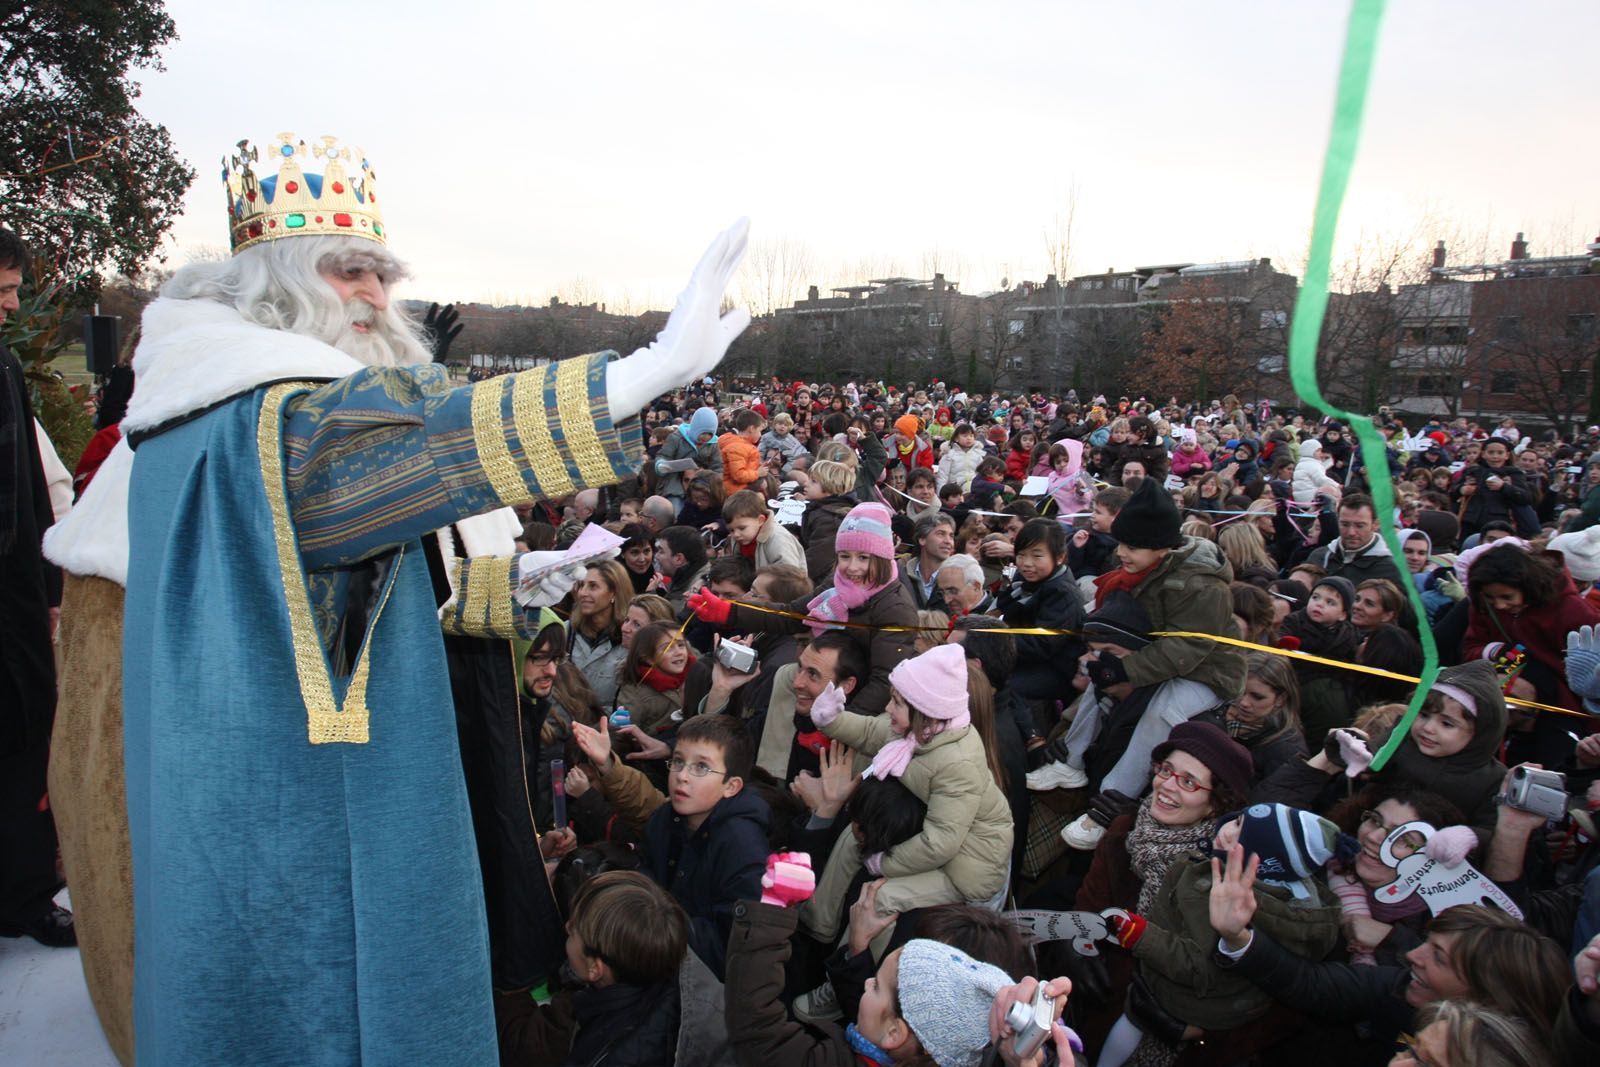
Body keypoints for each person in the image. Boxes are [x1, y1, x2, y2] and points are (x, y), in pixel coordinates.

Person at [52, 130, 749, 1064]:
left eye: (383, 275)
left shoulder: (208, 412)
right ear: (273, 281)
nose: (379, 299)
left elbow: (341, 605)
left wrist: (499, 583)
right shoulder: (274, 416)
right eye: (350, 273)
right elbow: (427, 444)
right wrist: (647, 370)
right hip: (304, 833)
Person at [1060, 478, 1246, 849]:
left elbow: (1189, 647)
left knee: (1162, 711)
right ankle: (1069, 759)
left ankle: (1111, 801)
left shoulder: (1201, 585)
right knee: (1101, 683)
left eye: (1131, 547)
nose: (1121, 554)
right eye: (1121, 544)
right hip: (1160, 660)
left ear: (1160, 547)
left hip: (1209, 673)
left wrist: (1130, 669)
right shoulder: (1147, 570)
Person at [800, 645, 1014, 944]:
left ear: (925, 712)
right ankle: (815, 927)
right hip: (941, 838)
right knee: (852, 840)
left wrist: (882, 862)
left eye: (897, 702)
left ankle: (844, 974)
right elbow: (869, 732)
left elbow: (940, 843)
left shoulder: (958, 763)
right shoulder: (917, 732)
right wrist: (831, 720)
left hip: (966, 866)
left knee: (880, 898)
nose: (888, 708)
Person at [572, 713, 768, 980]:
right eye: (678, 761)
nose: (682, 776)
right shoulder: (667, 817)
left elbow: (732, 945)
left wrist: (648, 929)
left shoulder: (741, 846)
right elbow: (649, 871)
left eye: (701, 767)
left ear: (731, 786)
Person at [0, 227, 72, 953]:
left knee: (21, 743)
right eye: (3, 292)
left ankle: (22, 893)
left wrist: (49, 583)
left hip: (11, 595)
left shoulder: (3, 367)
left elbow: (29, 490)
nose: (14, 305)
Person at [693, 502, 917, 715]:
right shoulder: (837, 582)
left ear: (882, 559)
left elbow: (884, 679)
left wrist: (840, 724)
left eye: (864, 557)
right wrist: (730, 611)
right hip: (821, 686)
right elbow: (792, 615)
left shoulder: (895, 609)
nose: (852, 567)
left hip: (853, 702)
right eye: (844, 556)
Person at [493, 870, 688, 1067]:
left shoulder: (578, 1033)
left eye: (574, 932)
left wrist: (509, 990)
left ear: (595, 968)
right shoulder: (665, 976)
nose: (567, 926)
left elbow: (518, 1046)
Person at [1227, 653, 1309, 792]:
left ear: (1280, 700)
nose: (1244, 702)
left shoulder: (1287, 752)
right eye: (1240, 691)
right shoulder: (1216, 716)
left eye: (1257, 697)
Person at [568, 559, 632, 710]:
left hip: (606, 729)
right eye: (581, 585)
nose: (582, 593)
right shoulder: (566, 632)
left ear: (614, 593)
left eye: (593, 586)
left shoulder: (630, 638)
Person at [614, 621, 695, 740]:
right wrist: (619, 725)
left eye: (681, 645)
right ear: (648, 658)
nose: (678, 652)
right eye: (668, 648)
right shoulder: (635, 692)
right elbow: (624, 737)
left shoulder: (696, 675)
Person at [1307, 493, 1406, 588]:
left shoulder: (1391, 570)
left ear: (1375, 524)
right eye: (1345, 524)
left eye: (1359, 526)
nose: (1351, 532)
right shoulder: (1319, 557)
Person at [657, 405, 723, 515]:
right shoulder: (676, 438)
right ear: (696, 428)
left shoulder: (713, 445)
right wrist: (661, 465)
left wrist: (712, 478)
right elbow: (663, 455)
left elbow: (717, 466)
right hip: (675, 480)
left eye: (710, 434)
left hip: (701, 483)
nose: (706, 437)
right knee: (676, 506)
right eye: (703, 433)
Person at [723, 488, 806, 572]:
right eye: (731, 530)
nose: (736, 534)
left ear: (760, 520)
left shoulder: (778, 539)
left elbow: (790, 575)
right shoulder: (740, 539)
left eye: (742, 528)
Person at [900, 511, 956, 611]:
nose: (948, 541)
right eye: (941, 534)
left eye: (951, 536)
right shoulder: (900, 575)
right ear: (922, 539)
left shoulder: (958, 580)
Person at [655, 524, 711, 614]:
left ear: (678, 559)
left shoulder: (700, 588)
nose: (656, 556)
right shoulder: (681, 577)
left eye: (661, 551)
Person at [720, 408, 766, 497]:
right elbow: (738, 475)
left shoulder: (742, 445)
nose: (760, 434)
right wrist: (758, 473)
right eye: (760, 431)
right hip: (734, 491)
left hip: (740, 487)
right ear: (751, 428)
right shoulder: (738, 447)